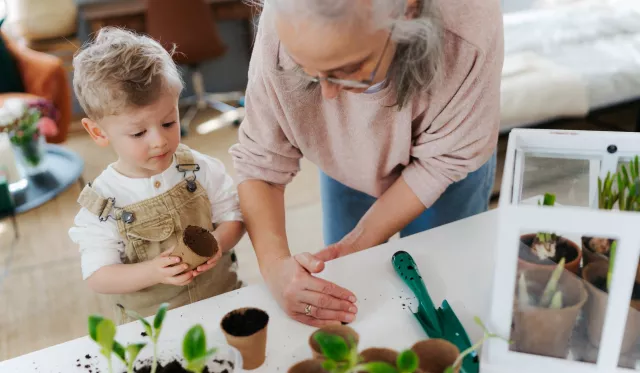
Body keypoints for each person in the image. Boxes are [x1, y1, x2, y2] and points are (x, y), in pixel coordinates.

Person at [230, 0, 504, 327]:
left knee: (446, 286)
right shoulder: (284, 21)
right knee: (352, 282)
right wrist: (275, 267)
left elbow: (441, 164)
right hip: (345, 161)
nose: (330, 95)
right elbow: (260, 162)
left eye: (348, 69)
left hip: (448, 159)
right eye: (309, 70)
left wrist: (361, 240)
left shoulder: (468, 28)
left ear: (409, 11)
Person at [68, 27, 245, 324]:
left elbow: (235, 217)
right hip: (154, 328)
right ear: (98, 132)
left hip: (224, 303)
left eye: (168, 122)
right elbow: (98, 276)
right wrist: (152, 271)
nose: (159, 141)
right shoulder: (103, 203)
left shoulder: (200, 168)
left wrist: (219, 242)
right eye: (138, 132)